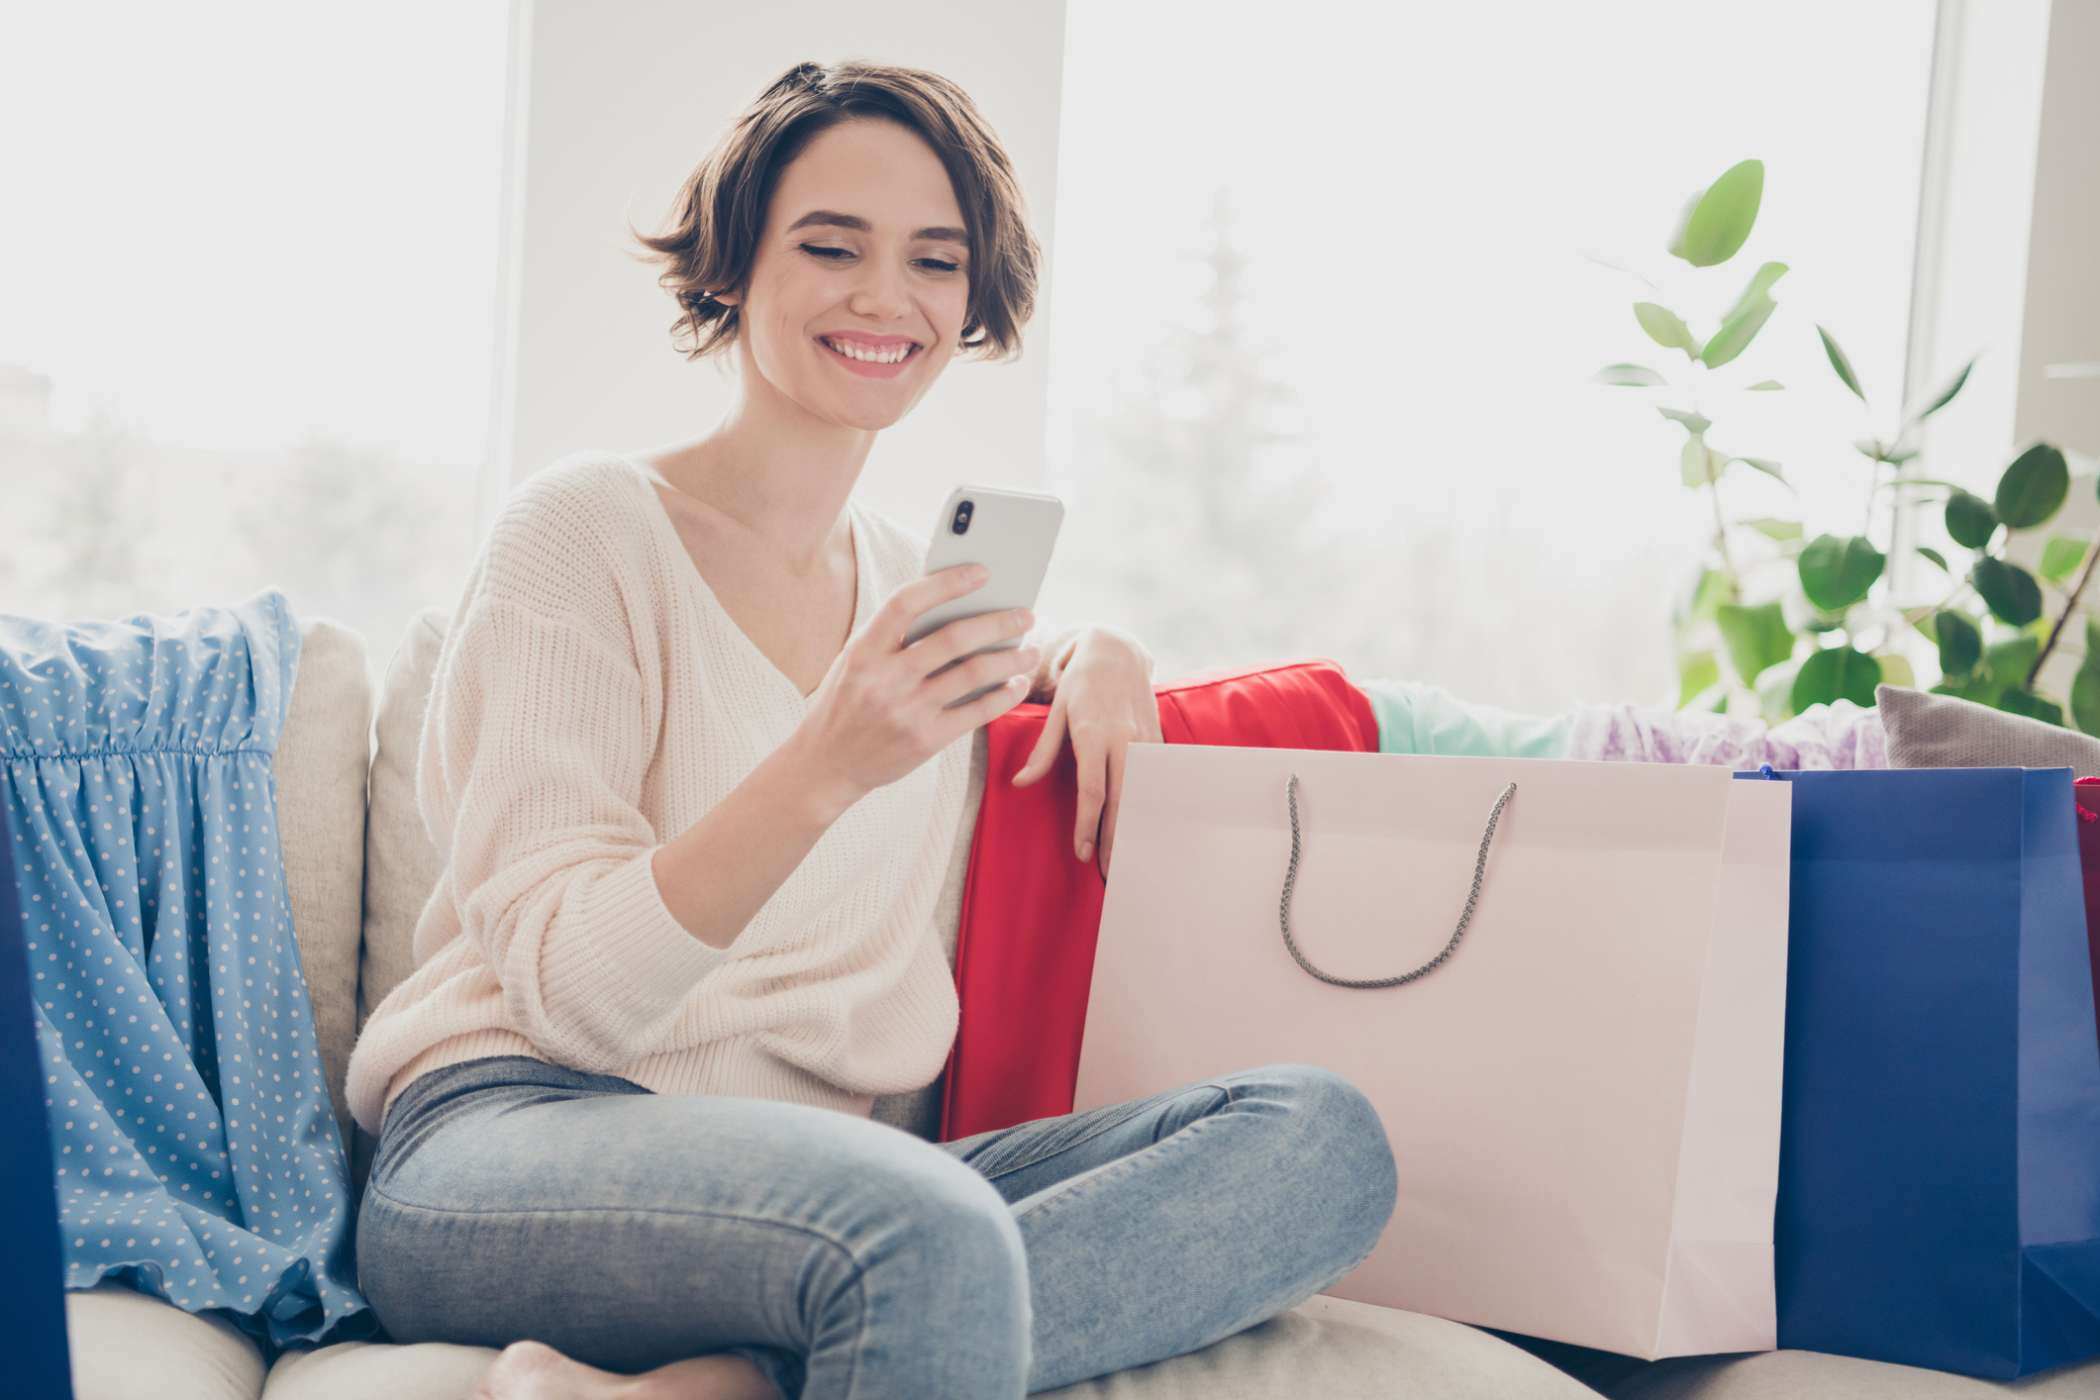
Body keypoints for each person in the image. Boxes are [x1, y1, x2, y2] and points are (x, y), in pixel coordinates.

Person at [342, 59, 1397, 1400]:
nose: (884, 298)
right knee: (921, 1228)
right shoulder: (584, 534)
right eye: (830, 246)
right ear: (732, 267)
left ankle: (720, 1386)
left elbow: (1016, 682)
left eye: (934, 262)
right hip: (514, 1139)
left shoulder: (923, 592)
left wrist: (1096, 647)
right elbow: (571, 996)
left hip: (837, 1190)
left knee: (1324, 1142)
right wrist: (824, 766)